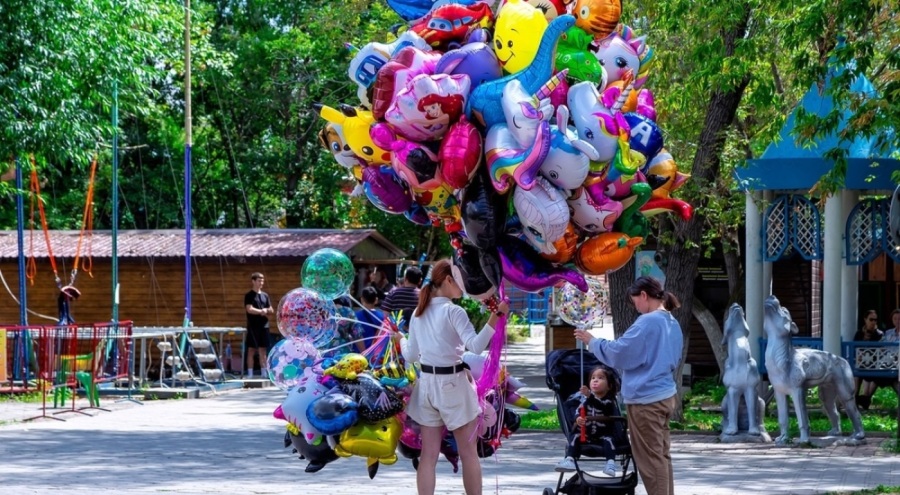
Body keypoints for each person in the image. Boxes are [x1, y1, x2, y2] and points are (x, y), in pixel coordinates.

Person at [396, 259, 509, 495]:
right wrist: (496, 316)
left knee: (428, 455)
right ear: (448, 280)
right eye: (460, 282)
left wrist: (401, 340)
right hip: (453, 385)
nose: (463, 289)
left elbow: (411, 356)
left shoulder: (419, 313)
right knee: (468, 453)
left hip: (426, 386)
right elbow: (476, 347)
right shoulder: (453, 311)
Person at [574, 276, 682, 495]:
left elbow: (621, 352)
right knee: (661, 456)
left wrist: (593, 342)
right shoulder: (671, 321)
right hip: (665, 394)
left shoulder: (648, 321)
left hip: (646, 400)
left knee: (651, 461)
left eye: (635, 302)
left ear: (644, 295)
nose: (636, 307)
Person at [555, 365, 623, 477]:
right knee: (574, 437)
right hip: (585, 434)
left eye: (601, 378)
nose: (595, 380)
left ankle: (610, 463)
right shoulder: (585, 400)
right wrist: (578, 418)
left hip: (603, 434)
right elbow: (579, 410)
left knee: (609, 440)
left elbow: (602, 406)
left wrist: (590, 396)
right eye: (593, 378)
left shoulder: (609, 402)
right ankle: (570, 459)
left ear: (609, 386)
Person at [244, 272, 274, 378]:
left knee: (263, 350)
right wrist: (261, 311)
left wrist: (266, 310)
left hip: (264, 326)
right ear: (253, 281)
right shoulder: (249, 295)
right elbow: (249, 309)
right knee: (251, 350)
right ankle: (250, 374)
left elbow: (271, 309)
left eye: (262, 280)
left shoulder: (265, 295)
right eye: (259, 280)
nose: (261, 282)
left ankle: (264, 373)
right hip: (253, 326)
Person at [853, 309, 884, 409]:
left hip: (874, 364)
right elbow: (854, 348)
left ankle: (865, 399)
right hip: (861, 363)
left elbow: (880, 351)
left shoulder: (879, 334)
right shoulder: (859, 334)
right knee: (857, 373)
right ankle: (855, 398)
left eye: (875, 320)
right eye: (871, 319)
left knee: (877, 375)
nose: (874, 322)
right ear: (865, 320)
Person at [381, 266, 423, 331]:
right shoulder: (423, 295)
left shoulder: (393, 292)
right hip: (417, 332)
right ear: (420, 281)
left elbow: (385, 315)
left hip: (396, 334)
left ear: (405, 279)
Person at [354, 287, 385, 352]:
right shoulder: (382, 316)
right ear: (376, 300)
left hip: (358, 354)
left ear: (362, 299)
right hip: (375, 354)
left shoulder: (355, 316)